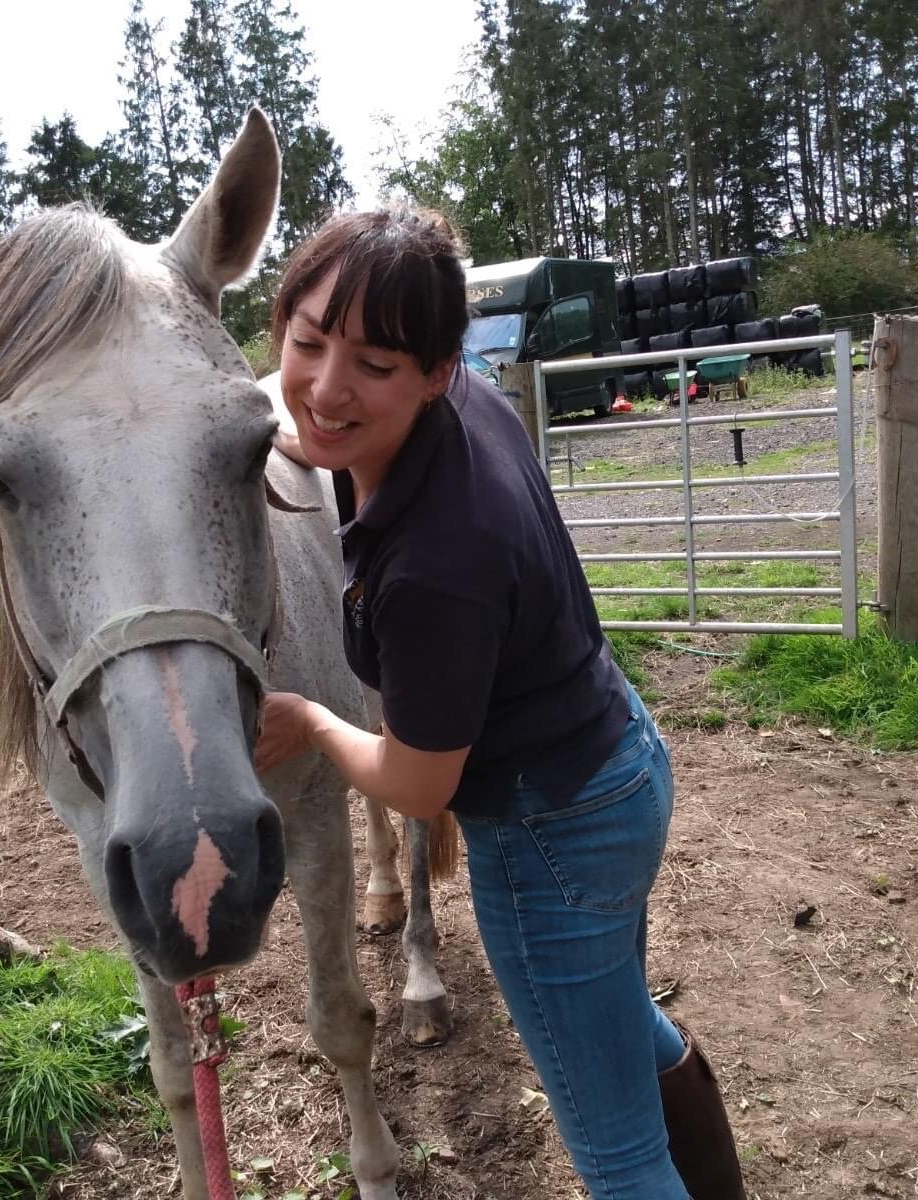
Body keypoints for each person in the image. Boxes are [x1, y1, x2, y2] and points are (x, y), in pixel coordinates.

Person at [252, 209, 745, 1200]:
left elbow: (416, 782)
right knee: (622, 1025)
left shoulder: (435, 569)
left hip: (546, 839)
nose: (326, 385)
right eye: (307, 343)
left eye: (372, 363)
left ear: (437, 368)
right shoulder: (460, 408)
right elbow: (332, 416)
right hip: (615, 764)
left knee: (616, 1155)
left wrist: (308, 721)